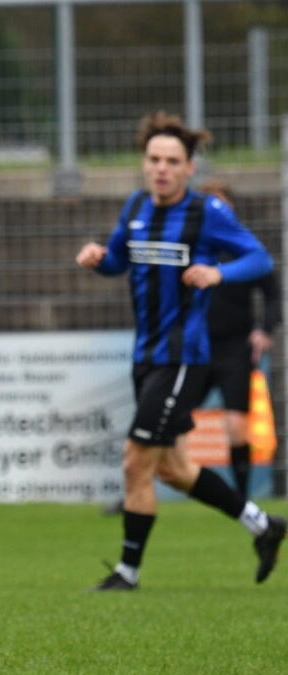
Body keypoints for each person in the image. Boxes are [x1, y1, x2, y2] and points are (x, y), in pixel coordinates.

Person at [75, 110, 285, 591]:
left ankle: (127, 573)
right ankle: (262, 524)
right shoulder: (134, 208)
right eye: (154, 159)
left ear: (190, 168)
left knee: (135, 459)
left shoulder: (207, 213)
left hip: (184, 359)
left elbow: (259, 257)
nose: (161, 168)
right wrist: (98, 260)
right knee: (171, 467)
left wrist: (219, 273)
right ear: (144, 163)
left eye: (172, 160)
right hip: (145, 357)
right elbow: (117, 263)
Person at [196, 178, 281, 496]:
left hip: (235, 348)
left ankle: (242, 500)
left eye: (222, 203)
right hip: (196, 347)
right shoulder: (193, 246)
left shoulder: (245, 249)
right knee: (166, 421)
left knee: (236, 425)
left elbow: (273, 295)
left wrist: (264, 329)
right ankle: (136, 490)